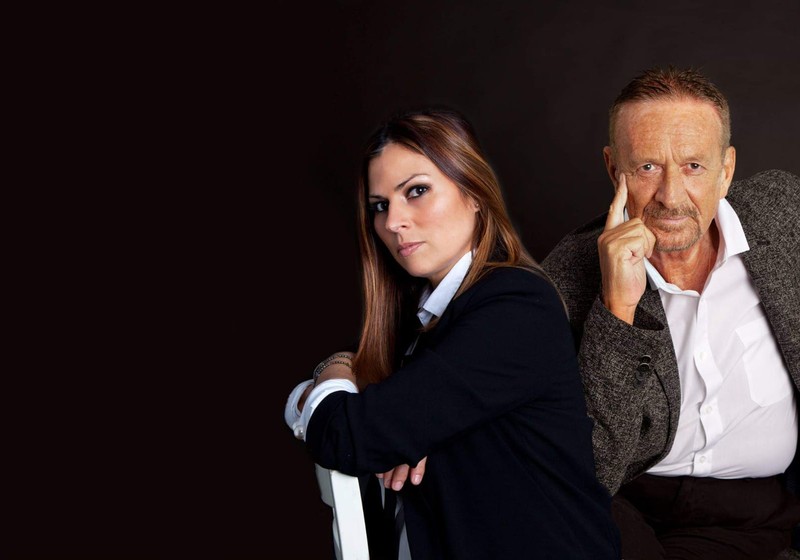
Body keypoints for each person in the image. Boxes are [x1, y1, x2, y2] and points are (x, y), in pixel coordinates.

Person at [284, 107, 620, 559]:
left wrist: (341, 382)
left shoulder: (517, 308)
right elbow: (353, 420)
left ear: (474, 193)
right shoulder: (423, 323)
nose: (393, 222)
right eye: (380, 206)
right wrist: (361, 392)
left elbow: (349, 436)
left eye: (416, 191)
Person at [541, 65, 800, 560]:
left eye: (694, 166)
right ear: (613, 168)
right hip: (625, 510)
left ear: (726, 169)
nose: (671, 197)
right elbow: (589, 470)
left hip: (756, 517)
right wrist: (618, 308)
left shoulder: (785, 217)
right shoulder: (565, 279)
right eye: (647, 167)